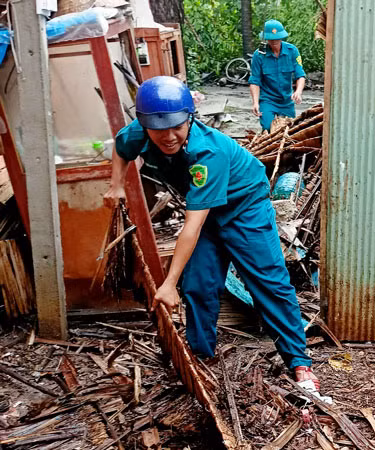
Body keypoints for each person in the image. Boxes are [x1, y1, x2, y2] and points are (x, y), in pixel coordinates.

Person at [103, 76, 318, 389]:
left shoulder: (208, 153)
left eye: (177, 126)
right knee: (200, 285)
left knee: (269, 283)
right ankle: (202, 355)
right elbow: (122, 149)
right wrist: (116, 185)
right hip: (205, 209)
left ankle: (299, 362)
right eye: (158, 129)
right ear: (144, 123)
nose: (168, 136)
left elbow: (192, 225)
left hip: (244, 206)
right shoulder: (142, 130)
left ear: (190, 117)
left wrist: (168, 283)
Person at [249, 19, 306, 131]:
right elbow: (255, 81)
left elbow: (300, 75)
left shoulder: (292, 51)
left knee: (289, 129)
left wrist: (298, 92)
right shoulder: (259, 55)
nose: (274, 41)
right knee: (267, 127)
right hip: (267, 99)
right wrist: (255, 103)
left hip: (286, 100)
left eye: (277, 38)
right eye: (271, 39)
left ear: (282, 36)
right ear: (266, 38)